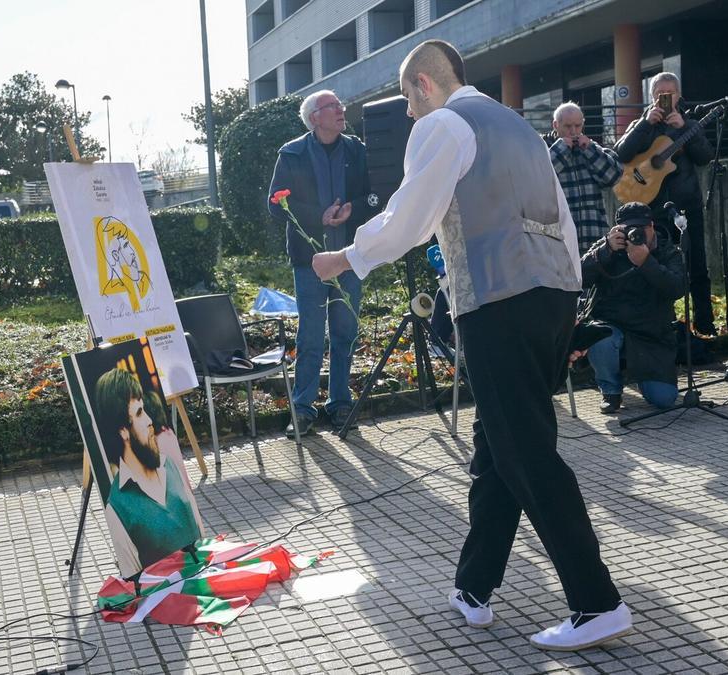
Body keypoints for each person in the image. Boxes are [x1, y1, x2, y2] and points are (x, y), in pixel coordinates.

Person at [311, 39, 630, 652]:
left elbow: (410, 216)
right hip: (553, 294)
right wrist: (563, 306)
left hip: (498, 301)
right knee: (498, 440)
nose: (407, 112)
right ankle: (473, 587)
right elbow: (560, 220)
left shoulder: (443, 125)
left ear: (426, 86)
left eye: (408, 98)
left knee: (525, 449)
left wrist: (346, 257)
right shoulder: (520, 126)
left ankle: (597, 602)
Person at [267, 89, 375, 437]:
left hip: (348, 257)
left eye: (341, 105)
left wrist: (351, 211)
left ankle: (340, 404)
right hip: (309, 261)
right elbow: (274, 204)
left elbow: (376, 196)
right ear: (315, 117)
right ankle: (302, 408)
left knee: (345, 332)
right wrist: (319, 217)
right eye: (333, 107)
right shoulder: (292, 153)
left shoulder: (357, 150)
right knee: (311, 334)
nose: (342, 110)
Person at [614, 72, 716, 336]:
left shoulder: (690, 123)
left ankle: (704, 324)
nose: (665, 98)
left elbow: (705, 156)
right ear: (652, 97)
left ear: (679, 95)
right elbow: (620, 154)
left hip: (686, 205)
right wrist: (645, 125)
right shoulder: (641, 124)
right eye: (660, 94)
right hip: (652, 209)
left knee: (696, 263)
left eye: (670, 93)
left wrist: (683, 128)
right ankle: (660, 324)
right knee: (654, 265)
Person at [93, 368, 202, 578]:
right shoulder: (118, 507)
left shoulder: (169, 466)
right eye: (140, 413)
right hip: (165, 599)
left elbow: (200, 538)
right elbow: (133, 578)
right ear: (122, 430)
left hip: (203, 577)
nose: (150, 420)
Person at [580, 202, 685, 414]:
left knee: (664, 400)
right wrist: (606, 250)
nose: (636, 233)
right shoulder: (608, 246)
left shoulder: (666, 250)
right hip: (611, 326)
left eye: (641, 227)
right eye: (629, 228)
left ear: (652, 226)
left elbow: (677, 288)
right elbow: (578, 276)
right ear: (618, 230)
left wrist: (646, 262)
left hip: (651, 334)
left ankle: (642, 376)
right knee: (600, 337)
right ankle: (610, 390)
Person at [547, 102, 624, 252]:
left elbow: (614, 176)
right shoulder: (545, 150)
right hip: (560, 238)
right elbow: (542, 176)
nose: (573, 131)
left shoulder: (593, 149)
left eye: (578, 126)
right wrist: (561, 149)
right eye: (568, 126)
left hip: (595, 235)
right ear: (556, 125)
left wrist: (590, 149)